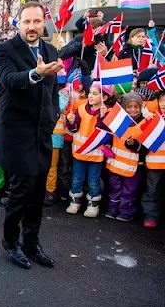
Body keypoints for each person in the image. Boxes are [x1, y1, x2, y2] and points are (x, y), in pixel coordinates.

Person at [0, 1, 62, 270]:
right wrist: (35, 73)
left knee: (38, 192)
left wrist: (53, 114)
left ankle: (31, 243)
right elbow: (9, 80)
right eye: (26, 22)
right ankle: (11, 242)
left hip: (42, 132)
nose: (31, 27)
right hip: (17, 133)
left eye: (36, 21)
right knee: (20, 192)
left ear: (43, 22)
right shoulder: (4, 51)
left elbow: (53, 89)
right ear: (18, 24)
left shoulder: (51, 50)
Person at [65, 83, 116, 217]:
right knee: (77, 178)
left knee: (94, 180)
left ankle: (93, 204)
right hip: (80, 152)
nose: (90, 96)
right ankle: (75, 202)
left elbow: (106, 132)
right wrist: (71, 122)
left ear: (104, 97)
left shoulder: (109, 112)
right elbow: (74, 129)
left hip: (96, 154)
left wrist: (102, 116)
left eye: (95, 93)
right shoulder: (81, 108)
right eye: (90, 93)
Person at [104, 92, 146, 222]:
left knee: (129, 190)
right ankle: (112, 208)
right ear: (123, 108)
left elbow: (145, 147)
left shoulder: (143, 124)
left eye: (136, 107)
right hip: (115, 163)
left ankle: (126, 211)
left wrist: (134, 145)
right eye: (129, 107)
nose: (133, 110)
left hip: (132, 167)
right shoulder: (118, 121)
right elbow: (111, 136)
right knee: (114, 187)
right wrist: (108, 145)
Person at [142, 90, 165, 228]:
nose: (163, 104)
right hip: (155, 163)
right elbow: (142, 137)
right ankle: (151, 216)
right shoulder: (153, 118)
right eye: (161, 101)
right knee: (152, 191)